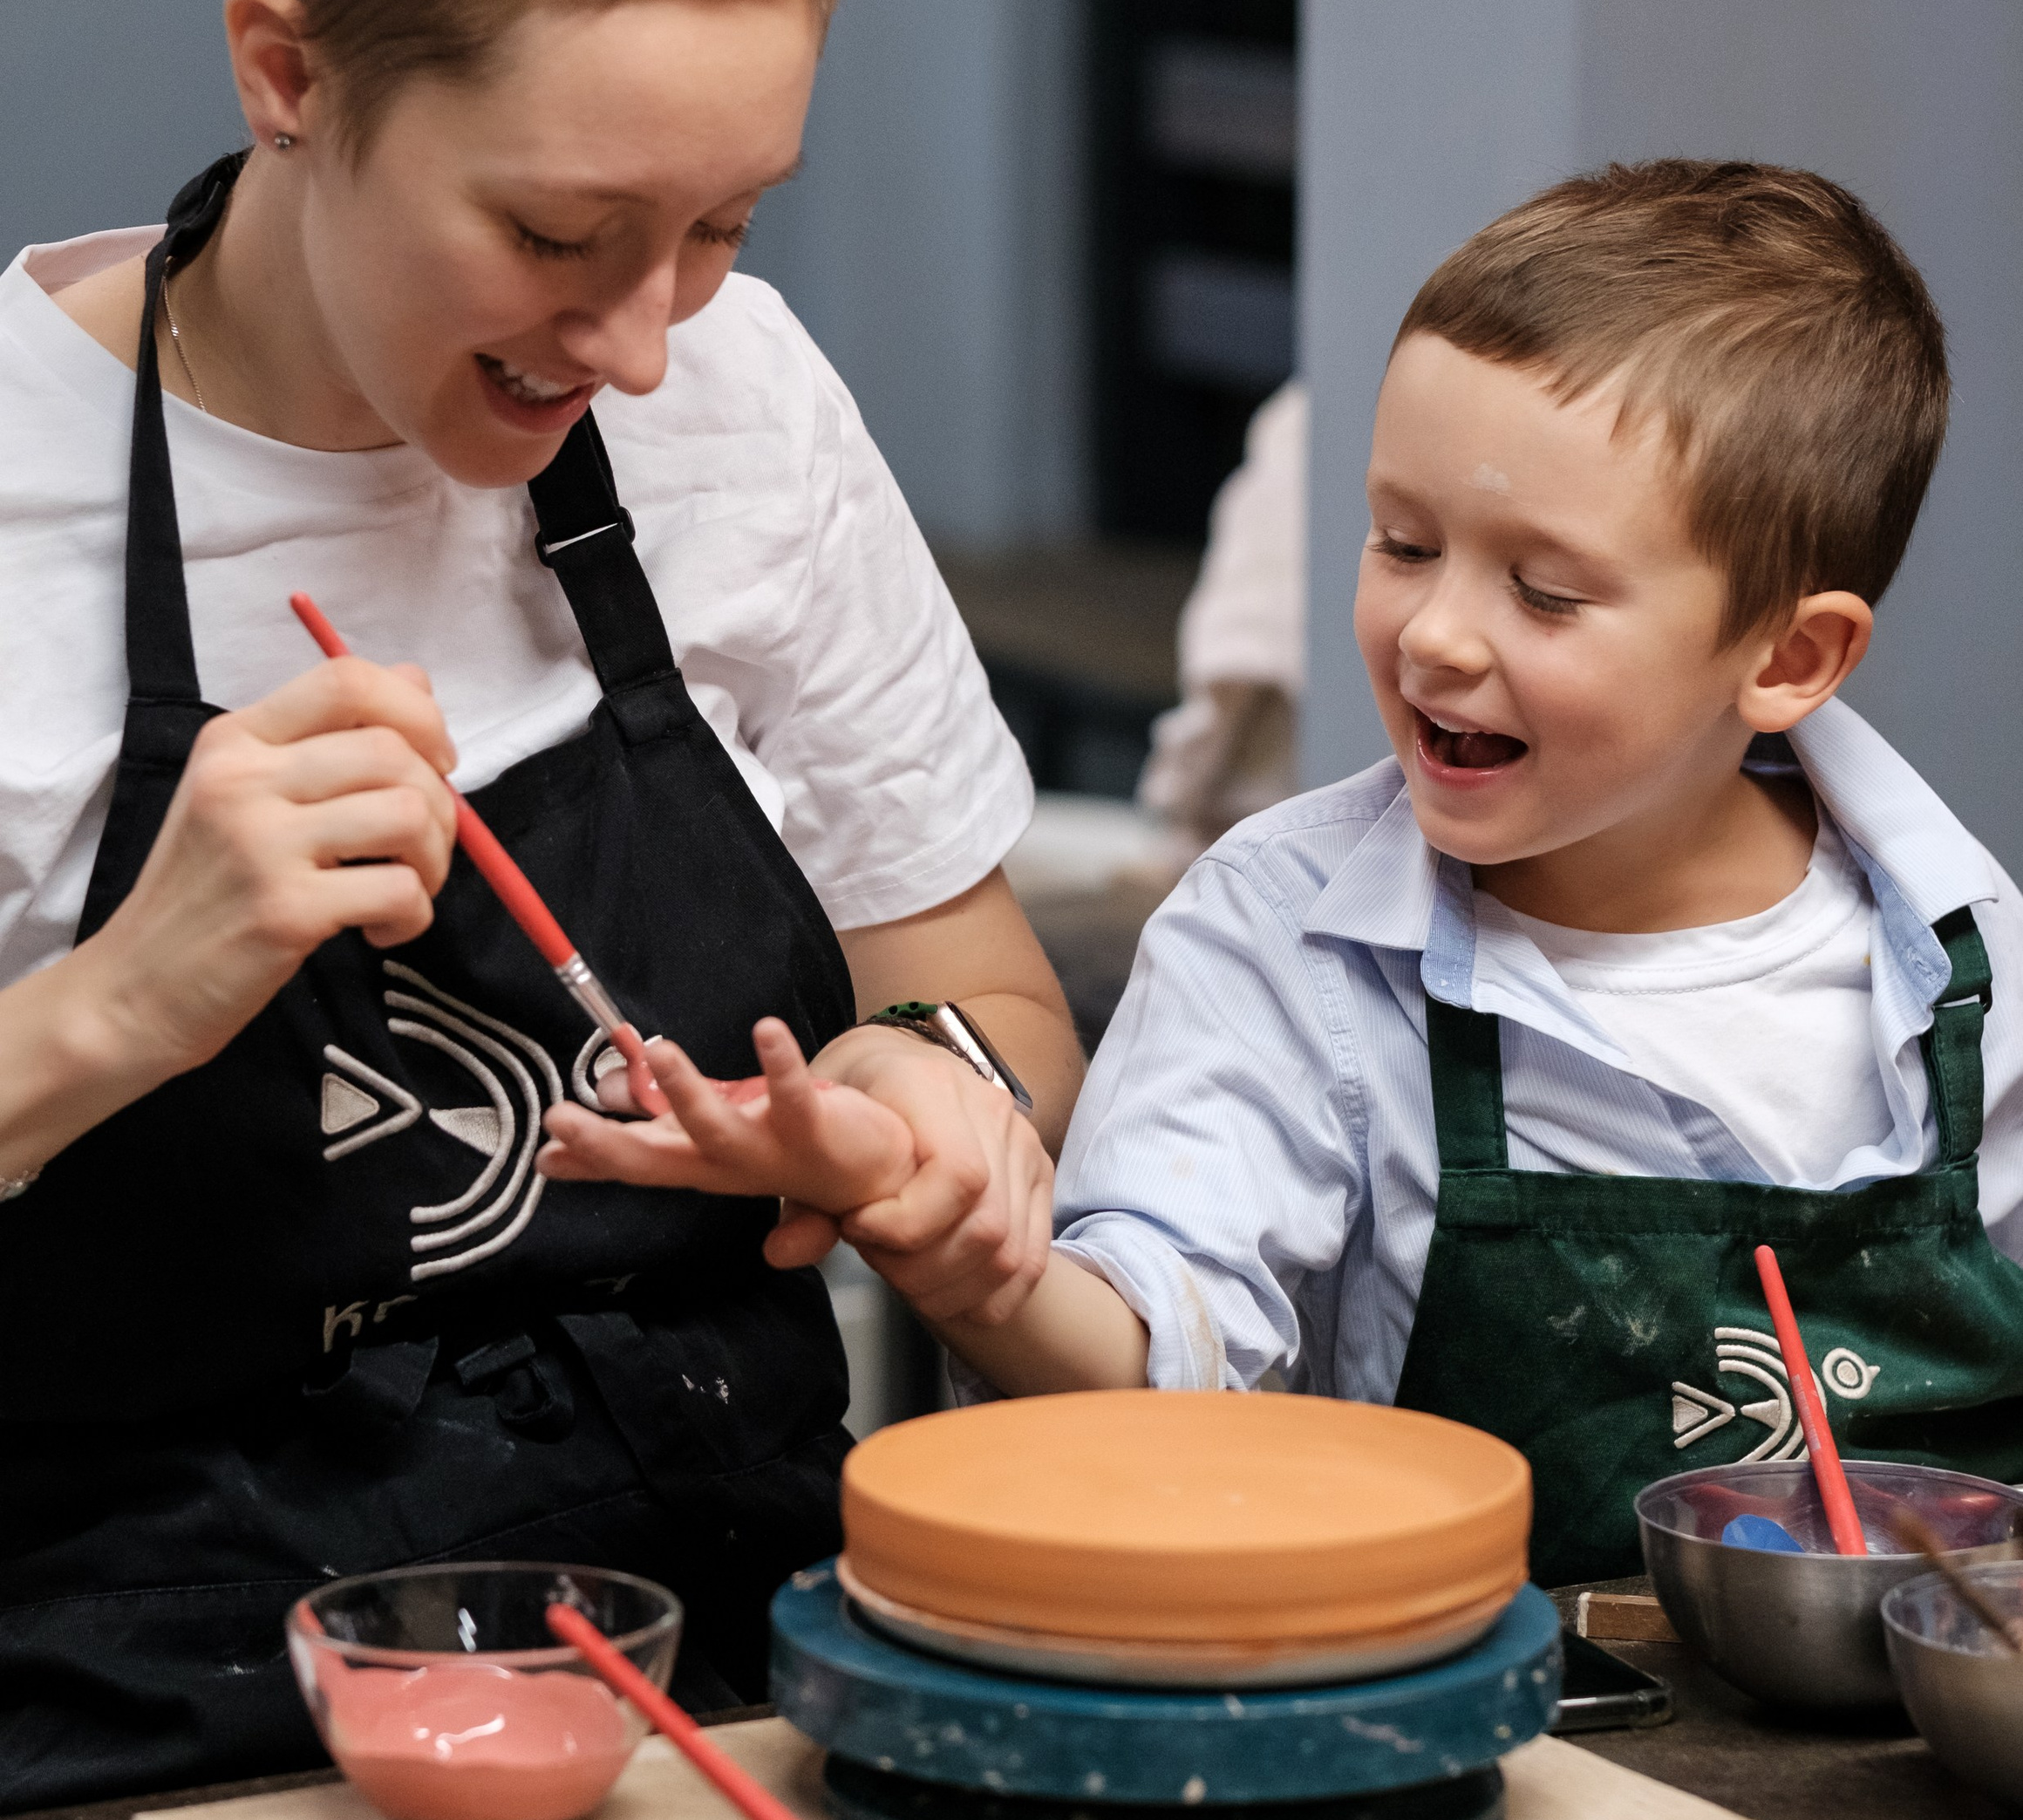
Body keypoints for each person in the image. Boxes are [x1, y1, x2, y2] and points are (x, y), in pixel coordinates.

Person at [0, 0, 1079, 1812]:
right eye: (564, 232)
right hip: (168, 1754)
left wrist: (927, 1109)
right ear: (287, 70)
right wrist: (111, 1006)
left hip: (759, 1709)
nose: (650, 337)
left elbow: (983, 989)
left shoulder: (740, 404)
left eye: (725, 229)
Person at [576, 160, 2023, 1585]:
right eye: (1403, 542)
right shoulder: (1285, 942)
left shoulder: (1964, 958)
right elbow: (1163, 1355)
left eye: (1545, 590)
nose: (1437, 635)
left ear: (1790, 659)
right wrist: (982, 1269)